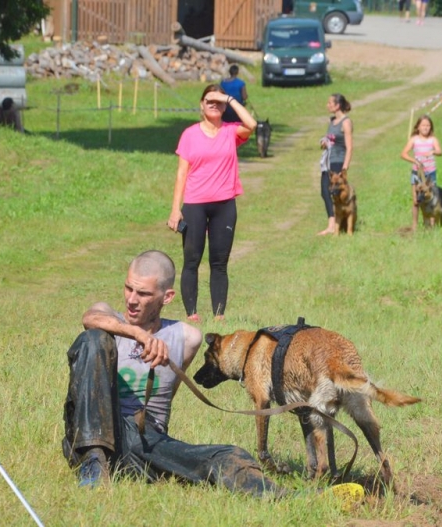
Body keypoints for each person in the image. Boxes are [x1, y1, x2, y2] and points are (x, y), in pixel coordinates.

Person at [61, 250, 284, 494]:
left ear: (166, 297)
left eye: (143, 293)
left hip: (144, 443)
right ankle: (93, 462)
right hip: (89, 436)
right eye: (128, 288)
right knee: (93, 340)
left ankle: (275, 493)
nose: (131, 300)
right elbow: (90, 318)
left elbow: (163, 403)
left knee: (222, 455)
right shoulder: (107, 316)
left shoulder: (186, 337)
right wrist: (138, 333)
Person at [167, 85, 257, 322]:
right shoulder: (189, 134)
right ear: (201, 104)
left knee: (219, 262)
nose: (214, 105)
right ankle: (191, 314)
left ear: (225, 106)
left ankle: (219, 315)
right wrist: (176, 210)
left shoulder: (231, 132)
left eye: (218, 102)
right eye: (209, 100)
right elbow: (181, 175)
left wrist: (227, 97)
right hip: (195, 205)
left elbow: (252, 125)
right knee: (192, 260)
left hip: (224, 206)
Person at [317, 93, 353, 236]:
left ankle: (340, 225)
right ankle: (331, 224)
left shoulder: (346, 122)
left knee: (337, 194)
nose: (327, 105)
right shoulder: (331, 121)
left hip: (338, 162)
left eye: (330, 103)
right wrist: (324, 143)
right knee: (325, 191)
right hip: (327, 162)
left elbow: (349, 147)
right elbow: (330, 139)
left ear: (337, 105)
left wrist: (345, 167)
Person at [400, 114, 442, 231]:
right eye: (423, 125)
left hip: (430, 173)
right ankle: (414, 225)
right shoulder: (414, 139)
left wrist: (432, 152)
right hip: (417, 173)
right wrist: (414, 160)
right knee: (416, 200)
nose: (426, 127)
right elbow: (403, 154)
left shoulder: (433, 140)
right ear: (418, 127)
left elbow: (440, 151)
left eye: (428, 125)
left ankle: (431, 225)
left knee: (432, 199)